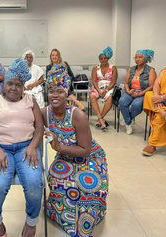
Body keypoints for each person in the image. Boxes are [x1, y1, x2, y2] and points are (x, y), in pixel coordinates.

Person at [43, 64, 108, 237]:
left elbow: (85, 149)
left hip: (90, 157)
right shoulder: (44, 113)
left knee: (87, 185)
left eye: (60, 91)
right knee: (56, 177)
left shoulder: (77, 115)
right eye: (51, 91)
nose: (55, 95)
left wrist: (59, 147)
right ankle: (60, 213)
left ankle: (85, 220)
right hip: (66, 157)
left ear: (67, 94)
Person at [0, 58, 44, 237]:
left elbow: (39, 127)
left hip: (27, 148)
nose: (13, 88)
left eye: (18, 84)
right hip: (0, 149)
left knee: (34, 184)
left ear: (23, 86)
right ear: (4, 83)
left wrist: (33, 146)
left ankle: (31, 222)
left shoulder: (30, 100)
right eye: (10, 83)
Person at [119, 49, 156, 134]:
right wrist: (128, 91)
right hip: (131, 91)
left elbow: (151, 86)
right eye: (135, 58)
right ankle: (128, 122)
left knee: (136, 105)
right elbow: (126, 83)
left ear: (145, 59)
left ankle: (127, 119)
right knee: (122, 101)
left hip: (143, 92)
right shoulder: (131, 69)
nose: (137, 59)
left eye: (140, 57)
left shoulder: (150, 70)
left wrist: (140, 94)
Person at [90, 46, 118, 130]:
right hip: (98, 87)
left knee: (110, 97)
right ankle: (100, 118)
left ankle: (101, 118)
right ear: (99, 59)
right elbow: (94, 81)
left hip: (109, 88)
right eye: (101, 58)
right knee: (92, 95)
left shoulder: (113, 67)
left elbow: (113, 81)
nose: (103, 60)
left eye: (105, 58)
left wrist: (106, 90)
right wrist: (98, 90)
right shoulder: (95, 68)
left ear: (108, 58)